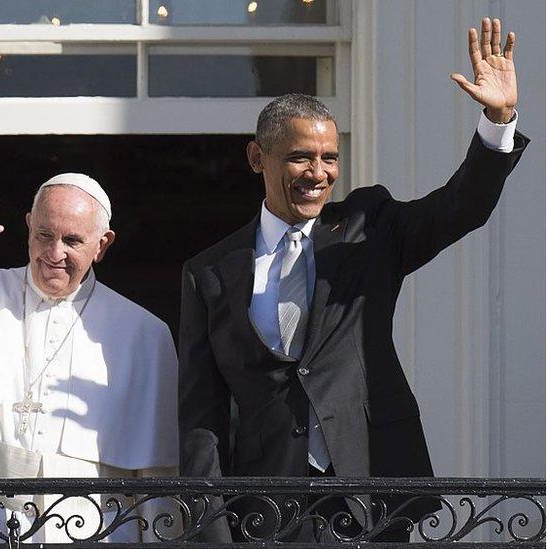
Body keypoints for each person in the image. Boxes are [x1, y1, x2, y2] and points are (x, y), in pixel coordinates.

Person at [178, 17, 526, 543]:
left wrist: (497, 121)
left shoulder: (370, 227)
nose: (318, 172)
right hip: (267, 504)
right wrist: (210, 529)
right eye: (300, 157)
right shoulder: (209, 272)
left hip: (371, 491)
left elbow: (460, 209)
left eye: (329, 157)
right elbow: (202, 414)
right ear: (258, 157)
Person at [0, 174, 178, 543]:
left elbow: (158, 475)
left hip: (92, 528)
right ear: (28, 226)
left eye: (72, 241)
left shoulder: (145, 333)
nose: (54, 253)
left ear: (102, 245)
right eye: (44, 235)